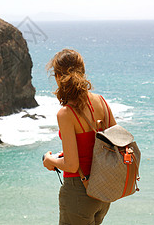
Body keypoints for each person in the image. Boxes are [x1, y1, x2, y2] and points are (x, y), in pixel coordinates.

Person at [43, 49, 117, 225]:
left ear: (58, 77)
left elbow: (72, 165)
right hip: (103, 193)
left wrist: (50, 160)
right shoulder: (101, 101)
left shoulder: (66, 114)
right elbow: (115, 141)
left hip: (79, 192)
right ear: (83, 72)